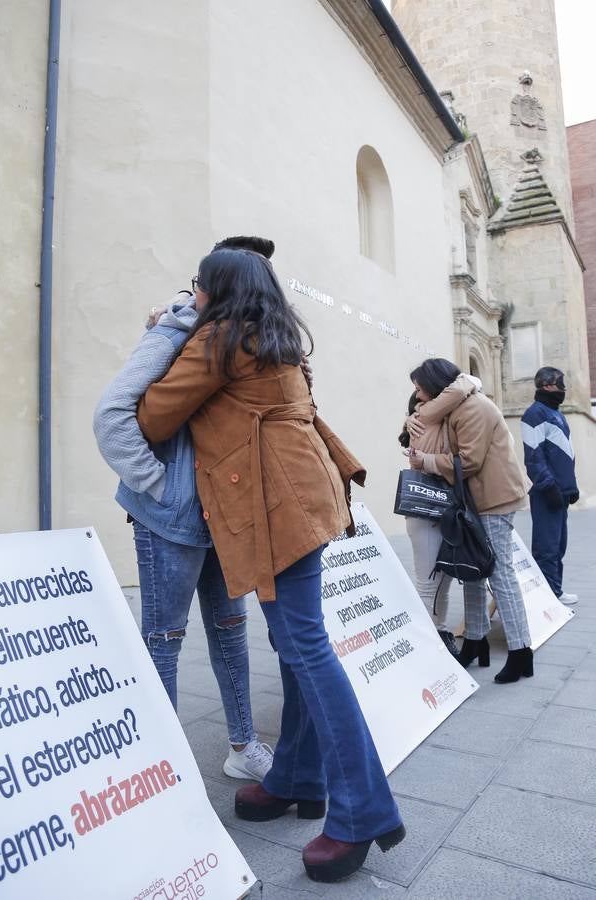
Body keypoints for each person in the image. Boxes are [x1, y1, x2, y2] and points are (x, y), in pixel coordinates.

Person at [136, 248, 405, 883]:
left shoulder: (220, 339)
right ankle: (298, 776)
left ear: (218, 292)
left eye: (197, 285)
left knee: (305, 645)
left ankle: (363, 810)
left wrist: (163, 332)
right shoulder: (277, 333)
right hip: (307, 492)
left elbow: (152, 415)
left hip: (279, 501)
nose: (192, 295)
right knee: (297, 643)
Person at [93, 236, 276, 782]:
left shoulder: (238, 338)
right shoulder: (174, 333)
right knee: (165, 638)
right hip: (169, 518)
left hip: (221, 514)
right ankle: (163, 761)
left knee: (229, 628)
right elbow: (111, 414)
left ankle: (243, 746)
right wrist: (158, 486)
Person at [406, 358, 534, 684]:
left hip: (494, 499)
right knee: (473, 572)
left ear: (436, 386)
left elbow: (470, 461)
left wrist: (428, 461)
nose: (418, 395)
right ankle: (475, 641)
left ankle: (521, 653)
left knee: (499, 573)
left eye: (420, 388)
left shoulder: (473, 408)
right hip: (476, 501)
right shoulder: (458, 406)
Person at [398, 368, 478, 657]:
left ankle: (440, 632)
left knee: (440, 581)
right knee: (428, 583)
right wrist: (473, 380)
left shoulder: (435, 417)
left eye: (421, 388)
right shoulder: (424, 418)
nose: (418, 395)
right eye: (416, 391)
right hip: (425, 511)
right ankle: (427, 645)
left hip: (439, 510)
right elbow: (460, 389)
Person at [521, 367, 579, 605]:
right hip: (547, 493)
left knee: (558, 545)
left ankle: (554, 589)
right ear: (546, 386)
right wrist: (549, 486)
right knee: (547, 547)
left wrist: (571, 487)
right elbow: (533, 457)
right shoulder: (534, 414)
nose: (563, 389)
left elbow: (564, 453)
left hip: (560, 491)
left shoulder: (556, 413)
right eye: (560, 384)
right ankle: (550, 596)